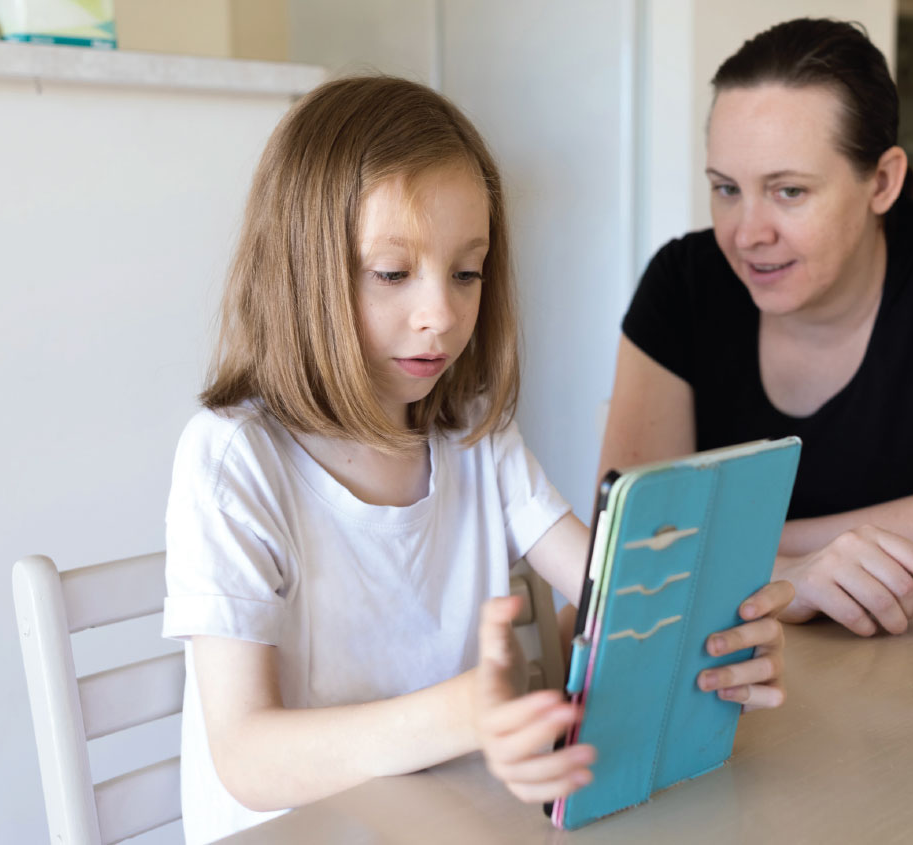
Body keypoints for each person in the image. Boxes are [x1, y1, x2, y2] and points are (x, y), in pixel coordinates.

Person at [161, 76, 794, 844]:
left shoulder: (471, 433)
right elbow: (248, 756)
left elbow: (614, 586)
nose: (443, 314)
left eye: (467, 271)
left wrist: (716, 631)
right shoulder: (234, 460)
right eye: (393, 273)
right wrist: (466, 713)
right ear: (302, 271)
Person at [599, 19, 913, 639]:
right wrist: (788, 575)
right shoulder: (682, 283)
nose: (747, 233)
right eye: (726, 189)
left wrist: (758, 558)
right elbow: (627, 543)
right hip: (742, 674)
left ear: (882, 182)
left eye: (788, 191)